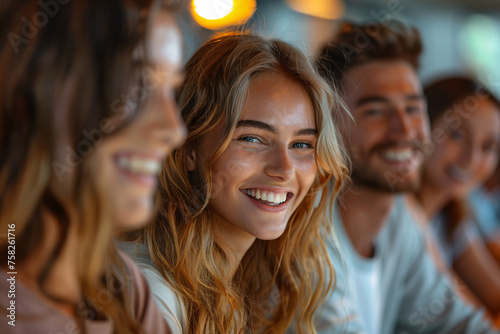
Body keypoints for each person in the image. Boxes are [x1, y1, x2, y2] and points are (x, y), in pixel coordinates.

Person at [119, 32, 349, 333]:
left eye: (303, 144)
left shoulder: (259, 285)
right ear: (188, 149)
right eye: (251, 139)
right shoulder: (151, 296)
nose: (285, 169)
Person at [0, 1, 186, 333]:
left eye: (171, 91)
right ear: (29, 89)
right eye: (136, 85)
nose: (174, 130)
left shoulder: (125, 289)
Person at [312, 21, 498, 333]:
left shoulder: (398, 220)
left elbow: (461, 322)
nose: (405, 131)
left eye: (412, 109)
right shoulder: (305, 236)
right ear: (328, 123)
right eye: (375, 111)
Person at [410, 76, 500, 316]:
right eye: (458, 136)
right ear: (420, 128)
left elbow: (495, 294)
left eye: (488, 146)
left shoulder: (453, 215)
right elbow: (461, 317)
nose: (471, 159)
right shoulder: (400, 214)